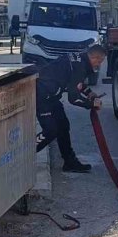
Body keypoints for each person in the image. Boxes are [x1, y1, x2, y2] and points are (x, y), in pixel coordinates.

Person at [35, 45, 107, 173]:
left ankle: (70, 162)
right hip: (41, 96)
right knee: (51, 131)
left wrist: (89, 93)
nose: (99, 65)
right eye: (99, 61)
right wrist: (92, 104)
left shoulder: (79, 59)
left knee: (63, 126)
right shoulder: (80, 66)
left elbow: (76, 82)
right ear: (94, 57)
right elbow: (73, 99)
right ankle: (24, 155)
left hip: (51, 96)